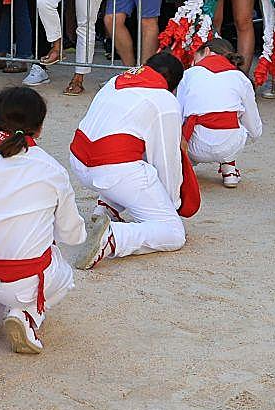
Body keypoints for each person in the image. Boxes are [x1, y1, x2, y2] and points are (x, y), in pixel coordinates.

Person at [0, 85, 90, 352]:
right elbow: (72, 235)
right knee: (62, 270)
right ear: (40, 128)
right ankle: (26, 315)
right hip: (25, 282)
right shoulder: (51, 169)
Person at [67, 52, 192, 260]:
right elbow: (167, 161)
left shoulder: (115, 80)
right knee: (174, 233)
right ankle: (114, 237)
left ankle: (107, 206)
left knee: (134, 148)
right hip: (113, 172)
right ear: (174, 86)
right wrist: (169, 205)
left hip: (79, 162)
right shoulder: (165, 100)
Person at [179, 38, 263, 189]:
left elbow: (179, 113)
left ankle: (184, 165)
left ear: (206, 51)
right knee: (235, 118)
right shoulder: (240, 77)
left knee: (189, 120)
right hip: (230, 145)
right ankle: (229, 170)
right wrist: (253, 135)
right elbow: (253, 121)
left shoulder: (188, 74)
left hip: (193, 146)